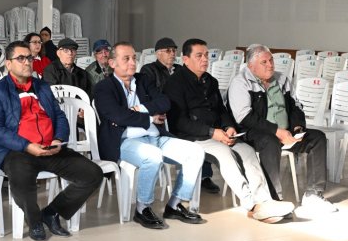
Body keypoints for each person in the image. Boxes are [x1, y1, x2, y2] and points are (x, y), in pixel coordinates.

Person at [164, 39, 295, 223]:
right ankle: (252, 205)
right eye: (199, 56)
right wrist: (212, 132)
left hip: (219, 133)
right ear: (185, 59)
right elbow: (178, 122)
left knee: (247, 151)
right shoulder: (174, 83)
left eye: (206, 55)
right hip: (192, 137)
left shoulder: (210, 81)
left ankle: (264, 200)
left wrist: (228, 127)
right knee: (225, 154)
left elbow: (221, 110)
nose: (205, 59)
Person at [0, 41, 104, 241]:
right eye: (20, 58)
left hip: (50, 147)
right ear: (8, 64)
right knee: (21, 179)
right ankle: (35, 221)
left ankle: (51, 212)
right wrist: (26, 145)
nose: (27, 62)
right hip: (18, 150)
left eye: (29, 58)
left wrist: (58, 139)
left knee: (93, 174)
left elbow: (59, 116)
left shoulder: (42, 87)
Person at [95, 42, 206, 229]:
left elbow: (164, 102)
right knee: (152, 156)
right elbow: (118, 115)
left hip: (155, 137)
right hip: (125, 141)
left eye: (134, 58)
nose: (132, 63)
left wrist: (139, 108)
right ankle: (142, 208)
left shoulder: (143, 80)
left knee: (195, 152)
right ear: (112, 63)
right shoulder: (104, 87)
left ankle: (175, 204)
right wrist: (149, 118)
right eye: (126, 59)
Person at [228, 44, 337, 215]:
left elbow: (295, 106)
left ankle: (313, 195)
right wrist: (277, 131)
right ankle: (273, 199)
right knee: (270, 141)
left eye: (271, 60)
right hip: (253, 133)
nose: (270, 65)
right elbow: (244, 117)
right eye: (264, 62)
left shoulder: (281, 79)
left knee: (317, 138)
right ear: (251, 66)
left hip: (285, 132)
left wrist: (297, 127)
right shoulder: (240, 82)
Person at [141, 37, 219, 193]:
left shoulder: (179, 69)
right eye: (168, 50)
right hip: (162, 116)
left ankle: (204, 176)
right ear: (158, 54)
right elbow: (151, 95)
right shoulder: (149, 70)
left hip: (184, 111)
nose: (172, 53)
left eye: (174, 50)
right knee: (190, 126)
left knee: (201, 119)